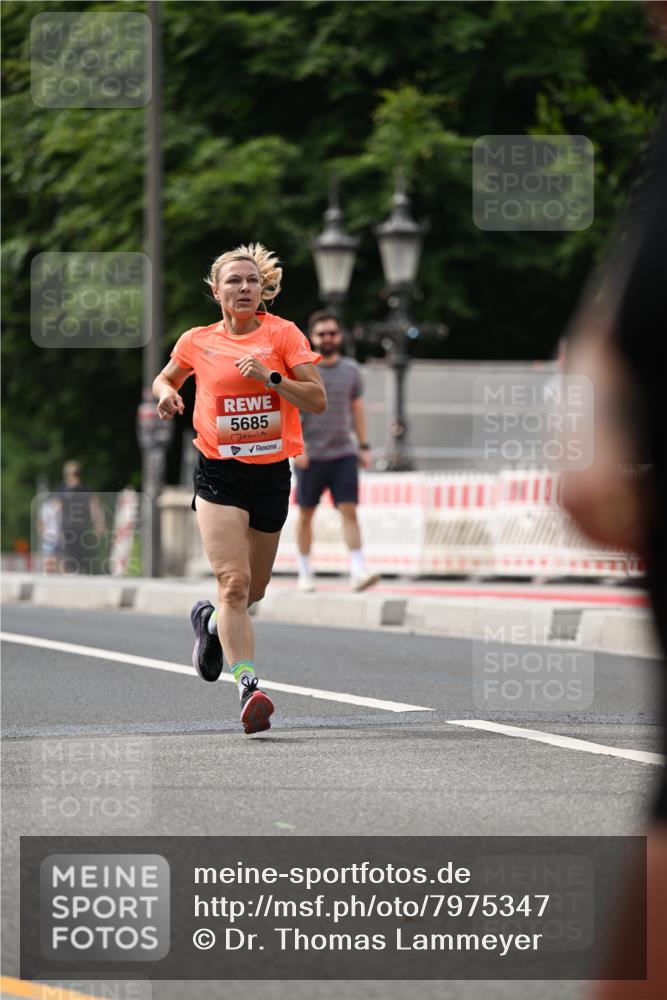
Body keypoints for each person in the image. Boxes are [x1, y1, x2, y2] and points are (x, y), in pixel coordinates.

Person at [152, 243, 326, 734]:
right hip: (218, 473)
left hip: (271, 473)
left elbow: (316, 399)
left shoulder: (283, 335)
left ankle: (208, 626)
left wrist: (273, 379)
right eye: (234, 281)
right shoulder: (197, 340)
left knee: (255, 590)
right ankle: (249, 686)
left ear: (262, 288)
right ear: (217, 291)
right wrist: (167, 396)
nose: (244, 287)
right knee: (233, 583)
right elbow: (165, 379)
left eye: (251, 280)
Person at [294, 311, 380, 593]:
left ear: (339, 336)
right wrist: (295, 447)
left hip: (343, 452)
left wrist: (364, 446)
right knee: (306, 514)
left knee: (350, 510)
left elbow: (357, 410)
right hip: (310, 454)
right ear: (312, 337)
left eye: (332, 333)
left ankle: (358, 570)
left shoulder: (352, 371)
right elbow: (288, 410)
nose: (328, 338)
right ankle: (305, 571)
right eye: (322, 334)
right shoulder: (301, 369)